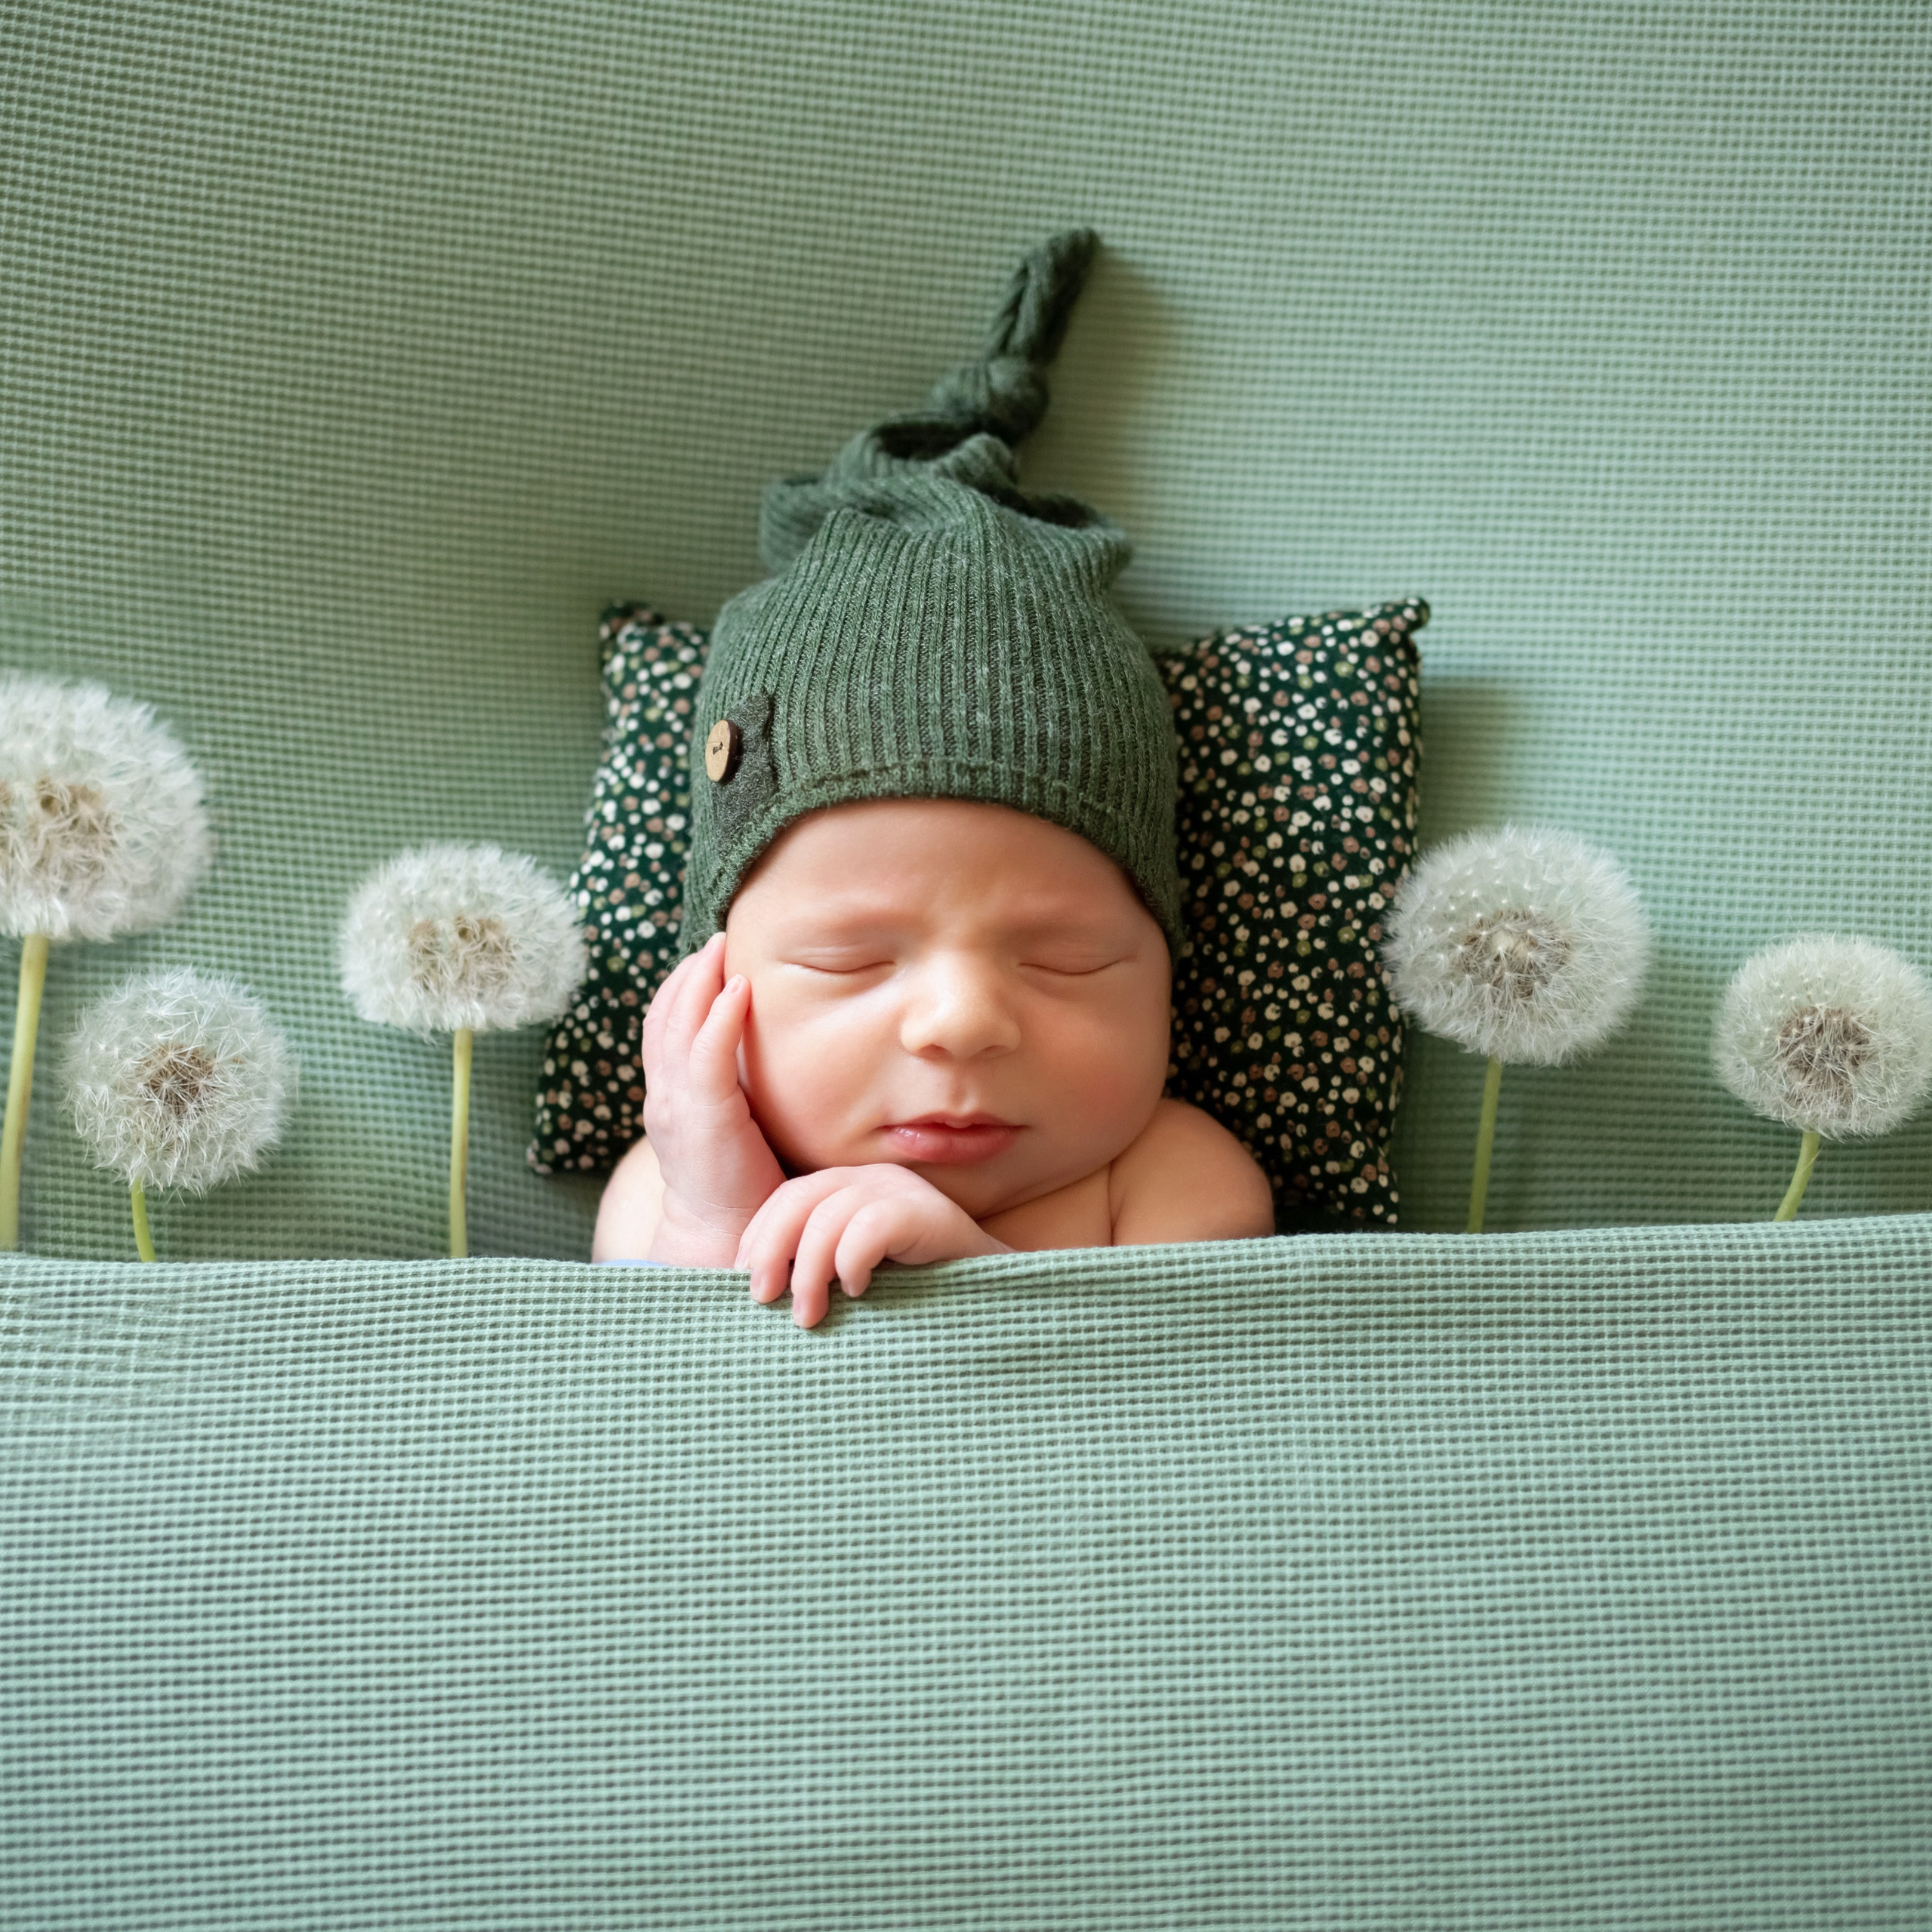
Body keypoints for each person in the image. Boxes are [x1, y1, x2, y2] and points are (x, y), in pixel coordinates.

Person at [593, 230, 1272, 1323]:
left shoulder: (1171, 1182)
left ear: (1166, 972)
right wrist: (711, 1226)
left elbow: (1178, 1418)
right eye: (849, 959)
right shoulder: (669, 1183)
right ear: (707, 986)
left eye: (1069, 961)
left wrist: (969, 1271)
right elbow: (643, 1438)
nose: (962, 1023)